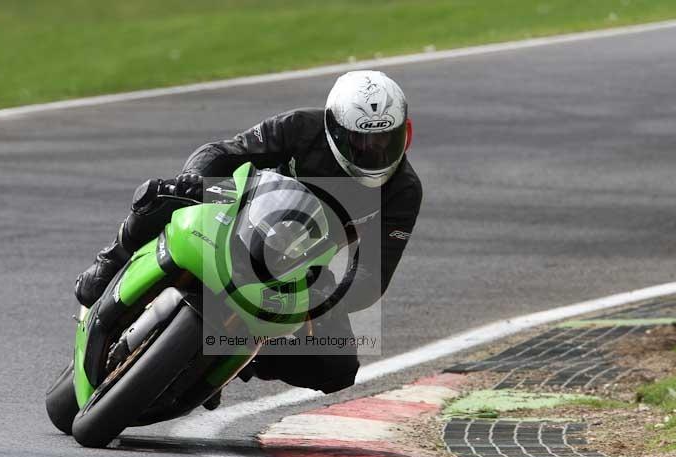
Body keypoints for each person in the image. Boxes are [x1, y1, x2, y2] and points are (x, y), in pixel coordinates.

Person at [75, 70, 422, 397]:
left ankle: (241, 359)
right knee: (159, 194)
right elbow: (224, 151)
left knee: (337, 369)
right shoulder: (301, 127)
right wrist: (194, 177)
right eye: (362, 142)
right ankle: (111, 261)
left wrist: (332, 295)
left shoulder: (404, 189)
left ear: (405, 133)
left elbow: (374, 275)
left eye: (385, 141)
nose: (375, 152)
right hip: (240, 210)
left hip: (304, 265)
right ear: (334, 128)